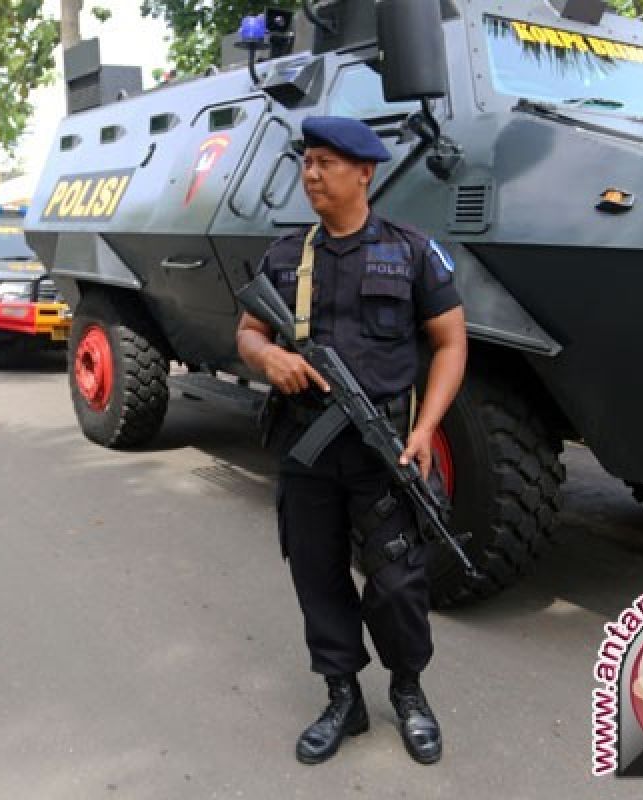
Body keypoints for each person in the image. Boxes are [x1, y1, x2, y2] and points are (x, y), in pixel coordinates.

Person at [236, 116, 467, 766]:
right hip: (304, 445)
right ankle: (342, 695)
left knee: (398, 582)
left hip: (386, 446)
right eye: (306, 162)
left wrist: (425, 430)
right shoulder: (285, 256)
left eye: (326, 163)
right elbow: (249, 330)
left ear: (364, 172)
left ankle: (408, 689)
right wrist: (265, 357)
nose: (311, 174)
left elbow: (452, 344)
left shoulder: (413, 251)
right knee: (317, 574)